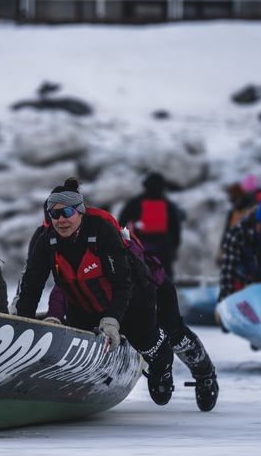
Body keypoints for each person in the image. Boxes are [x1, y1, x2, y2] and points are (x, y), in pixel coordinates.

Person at [14, 178, 175, 406]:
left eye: (67, 212)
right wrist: (22, 323)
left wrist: (112, 320)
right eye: (54, 214)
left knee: (149, 343)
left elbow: (122, 282)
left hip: (129, 301)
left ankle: (162, 368)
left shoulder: (102, 232)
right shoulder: (46, 242)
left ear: (79, 212)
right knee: (79, 346)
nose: (61, 220)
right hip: (83, 306)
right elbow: (32, 286)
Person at [45, 213, 219, 412]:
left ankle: (205, 375)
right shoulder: (61, 248)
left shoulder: (102, 241)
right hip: (118, 300)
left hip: (153, 286)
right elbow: (63, 288)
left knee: (175, 333)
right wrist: (55, 316)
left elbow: (132, 286)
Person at [117, 172, 182, 278]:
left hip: (140, 249)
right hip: (163, 250)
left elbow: (121, 222)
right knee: (164, 281)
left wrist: (125, 243)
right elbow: (175, 229)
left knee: (140, 280)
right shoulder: (168, 205)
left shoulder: (135, 203)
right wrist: (173, 248)